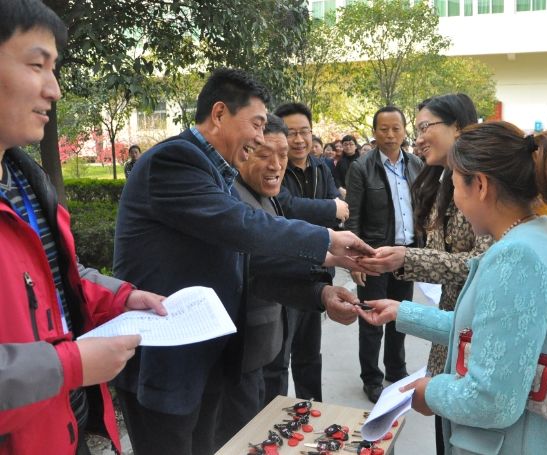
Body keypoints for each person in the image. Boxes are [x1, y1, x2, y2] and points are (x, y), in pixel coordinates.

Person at [113, 68, 373, 455]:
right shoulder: (175, 161)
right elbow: (244, 226)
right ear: (219, 114)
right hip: (167, 363)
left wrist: (323, 279)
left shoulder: (217, 173)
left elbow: (250, 264)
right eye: (256, 124)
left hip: (209, 360)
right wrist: (327, 238)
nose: (260, 136)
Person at [357, 121, 547, 455]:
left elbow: (492, 401)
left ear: (481, 185)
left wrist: (429, 391)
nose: (454, 199)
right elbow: (487, 334)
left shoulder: (517, 257)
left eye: (455, 185)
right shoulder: (534, 235)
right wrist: (402, 313)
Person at [0, 2, 166, 453]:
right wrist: (70, 366)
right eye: (36, 65)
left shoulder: (26, 180)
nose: (53, 89)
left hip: (63, 428)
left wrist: (121, 298)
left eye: (54, 69)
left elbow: (50, 280)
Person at [214, 114, 360, 446]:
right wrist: (328, 254)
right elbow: (254, 262)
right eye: (265, 154)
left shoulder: (268, 194)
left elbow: (268, 277)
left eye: (282, 155)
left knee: (269, 429)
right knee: (240, 439)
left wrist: (322, 293)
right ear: (243, 151)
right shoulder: (231, 199)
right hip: (237, 357)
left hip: (266, 346)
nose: (277, 165)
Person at [357, 94, 491, 453]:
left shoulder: (482, 184)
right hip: (449, 323)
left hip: (474, 327)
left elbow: (481, 264)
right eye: (415, 130)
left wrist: (407, 259)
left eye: (423, 128)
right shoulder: (439, 178)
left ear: (457, 128)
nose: (416, 138)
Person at [262, 102, 344, 405]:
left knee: (310, 354)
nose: (299, 140)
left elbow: (339, 213)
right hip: (284, 274)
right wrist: (330, 208)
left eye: (304, 132)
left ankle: (311, 409)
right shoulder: (275, 170)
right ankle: (275, 418)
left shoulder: (322, 166)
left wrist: (331, 210)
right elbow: (288, 208)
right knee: (278, 358)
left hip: (319, 273)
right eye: (291, 133)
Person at [345, 106, 423, 403]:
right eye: (384, 129)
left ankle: (396, 368)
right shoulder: (361, 167)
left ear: (404, 131)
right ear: (374, 132)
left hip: (406, 254)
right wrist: (355, 259)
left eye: (396, 128)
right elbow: (353, 216)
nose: (390, 135)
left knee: (401, 316)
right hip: (374, 255)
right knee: (372, 319)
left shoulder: (415, 164)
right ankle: (371, 378)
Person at [334, 134, 360, 199]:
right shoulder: (340, 162)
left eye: (351, 144)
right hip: (344, 193)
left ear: (356, 146)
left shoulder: (362, 160)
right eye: (345, 144)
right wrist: (340, 188)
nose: (348, 146)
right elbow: (336, 177)